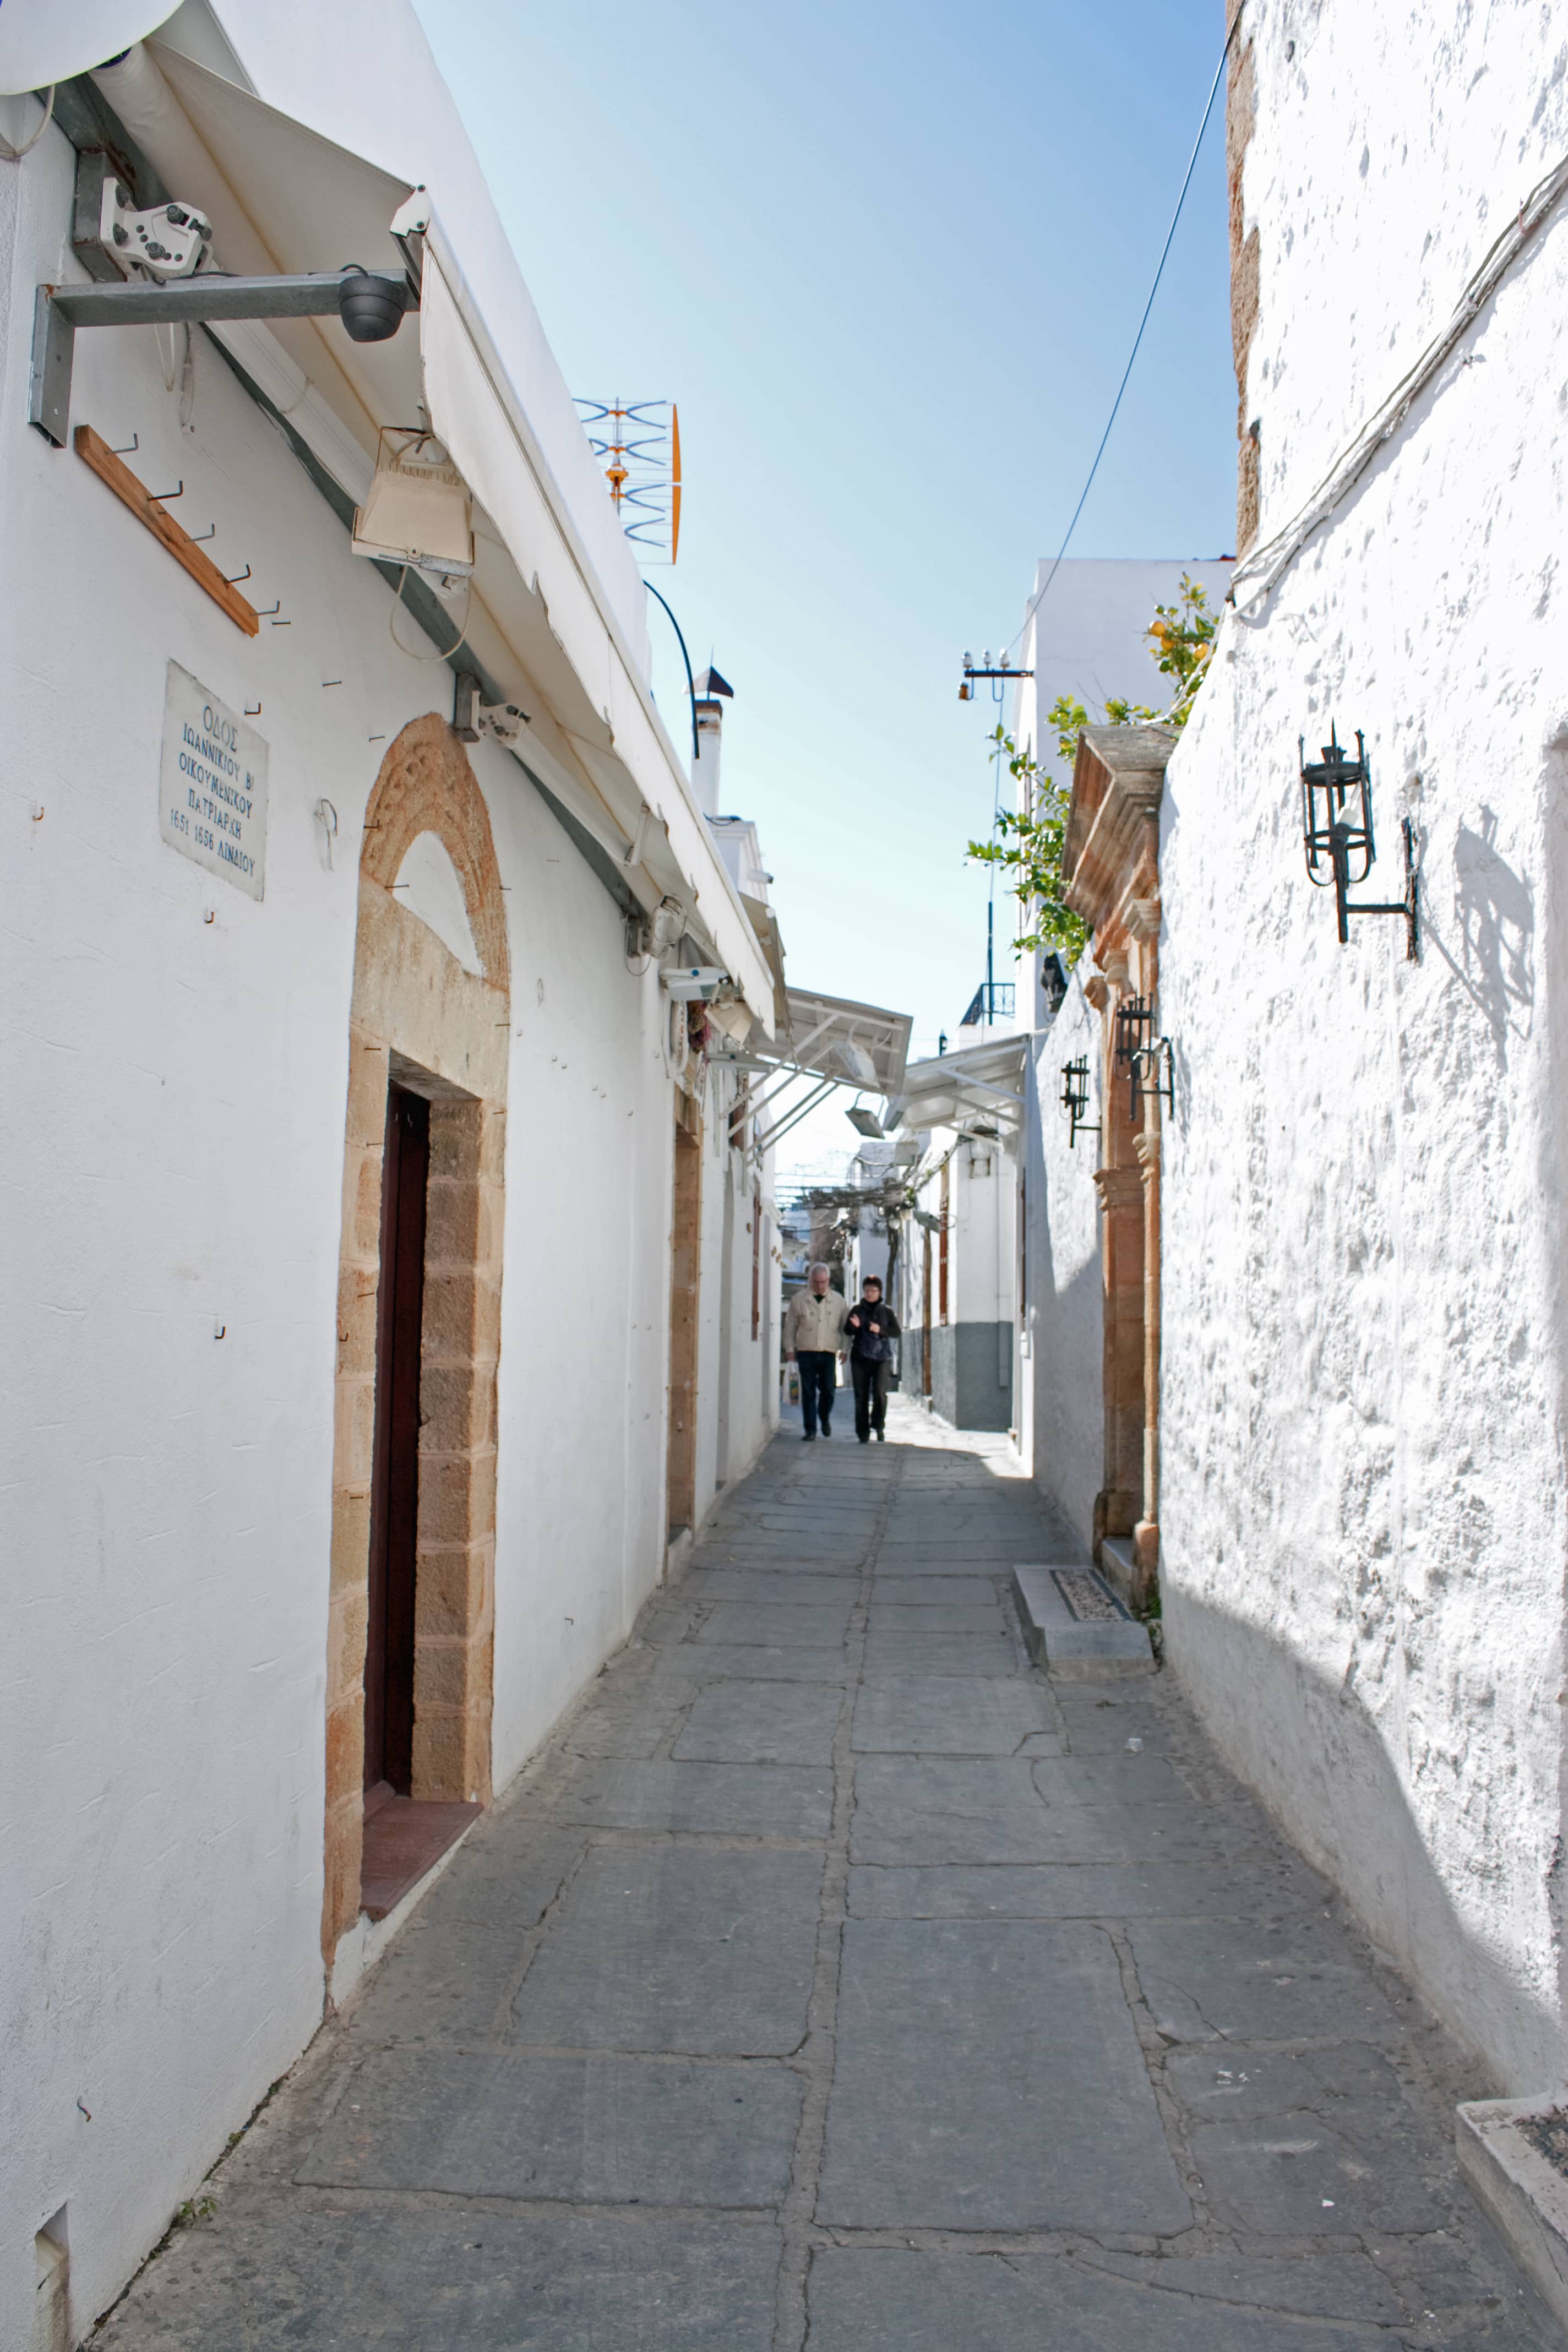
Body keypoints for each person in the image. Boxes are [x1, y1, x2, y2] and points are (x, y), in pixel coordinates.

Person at [783, 1262, 850, 1440]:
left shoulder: (839, 1301)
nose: (820, 1286)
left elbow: (845, 1329)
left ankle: (824, 1417)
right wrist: (789, 1348)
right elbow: (790, 1326)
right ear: (810, 1281)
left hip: (829, 1352)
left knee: (829, 1390)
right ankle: (810, 1430)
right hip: (806, 1351)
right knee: (808, 1391)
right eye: (816, 1282)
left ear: (828, 1281)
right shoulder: (799, 1300)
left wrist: (844, 1349)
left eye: (823, 1282)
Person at [846, 1275, 900, 1443]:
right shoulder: (857, 1310)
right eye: (867, 1290)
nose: (870, 1294)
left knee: (880, 1394)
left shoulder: (887, 1311)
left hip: (881, 1358)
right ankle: (863, 1432)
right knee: (861, 1396)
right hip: (860, 1358)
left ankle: (878, 1425)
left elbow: (896, 1332)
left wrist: (881, 1329)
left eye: (873, 1290)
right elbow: (846, 1330)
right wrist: (853, 1327)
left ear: (879, 1292)